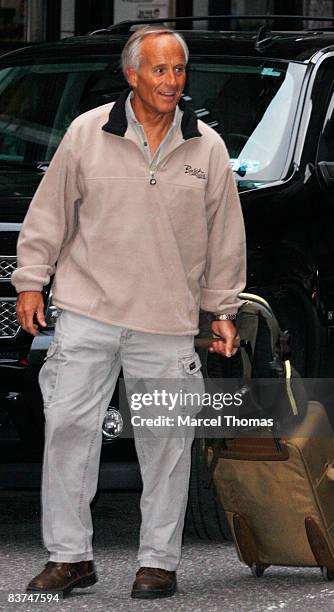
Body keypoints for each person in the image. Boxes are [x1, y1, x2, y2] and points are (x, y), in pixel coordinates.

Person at [11, 25, 246, 599]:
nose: (171, 82)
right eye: (160, 70)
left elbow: (225, 238)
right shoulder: (87, 132)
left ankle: (158, 562)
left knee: (166, 443)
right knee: (68, 431)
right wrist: (30, 281)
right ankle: (70, 557)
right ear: (132, 75)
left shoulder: (206, 146)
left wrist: (222, 308)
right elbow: (49, 213)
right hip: (88, 311)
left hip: (167, 321)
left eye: (179, 71)